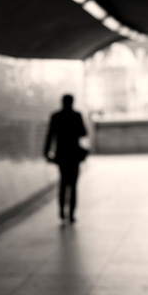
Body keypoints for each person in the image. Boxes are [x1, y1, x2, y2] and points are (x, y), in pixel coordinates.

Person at [44, 94, 87, 223]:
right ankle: (71, 214)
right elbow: (83, 133)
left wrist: (46, 152)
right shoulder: (76, 116)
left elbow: (50, 136)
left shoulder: (56, 117)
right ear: (72, 102)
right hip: (74, 155)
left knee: (63, 182)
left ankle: (62, 212)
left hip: (61, 155)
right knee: (73, 185)